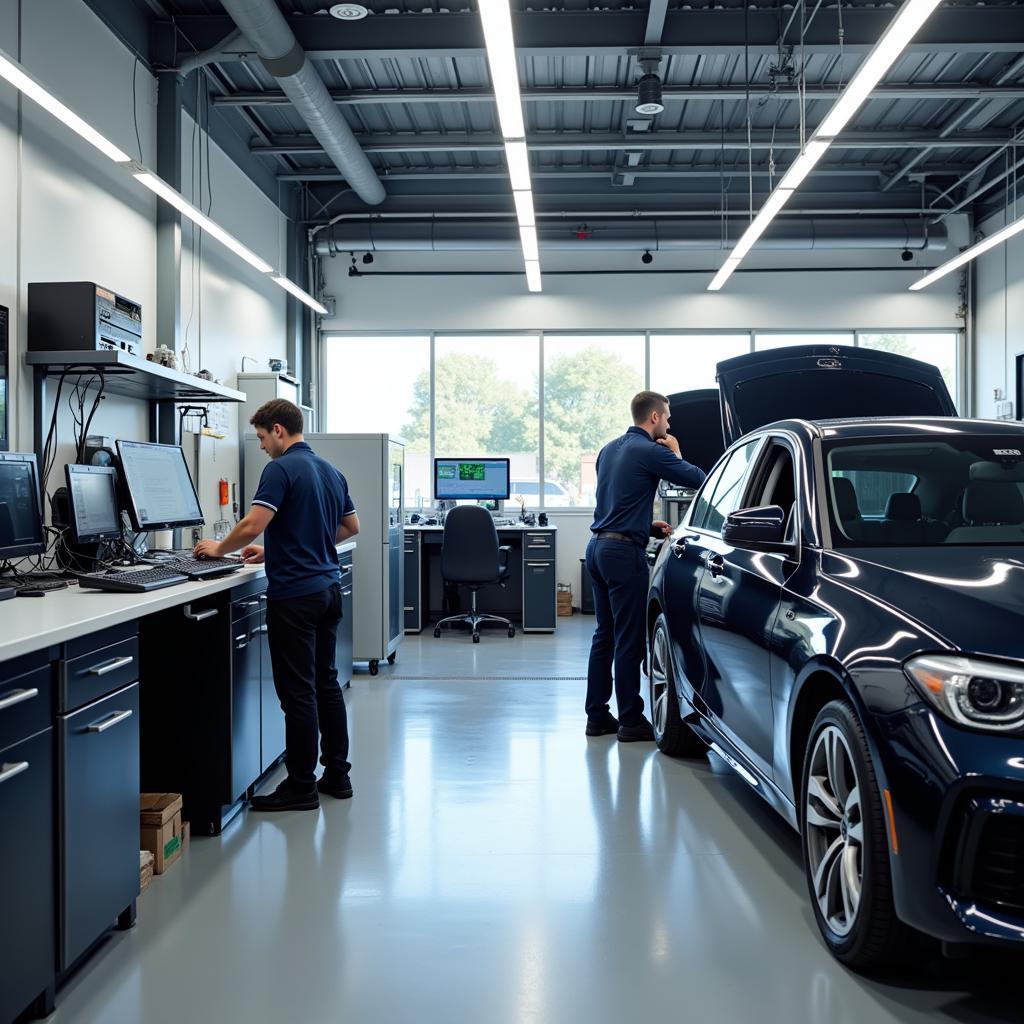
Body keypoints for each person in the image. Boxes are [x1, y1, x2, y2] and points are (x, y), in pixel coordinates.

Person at [195, 399, 359, 811]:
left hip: (296, 597)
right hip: (327, 591)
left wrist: (217, 549)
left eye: (263, 437)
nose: (263, 446)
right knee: (327, 684)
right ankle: (337, 776)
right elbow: (350, 527)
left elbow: (252, 523)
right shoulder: (330, 471)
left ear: (279, 430)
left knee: (298, 693)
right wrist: (281, 551)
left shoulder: (280, 469)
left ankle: (301, 785)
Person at [584, 390, 706, 742]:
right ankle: (631, 721)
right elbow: (698, 479)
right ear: (654, 418)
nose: (668, 424)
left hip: (597, 547)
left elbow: (616, 499)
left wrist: (644, 524)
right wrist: (676, 452)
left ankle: (597, 717)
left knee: (604, 636)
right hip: (623, 555)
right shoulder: (652, 451)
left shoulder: (609, 449)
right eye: (667, 418)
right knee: (629, 639)